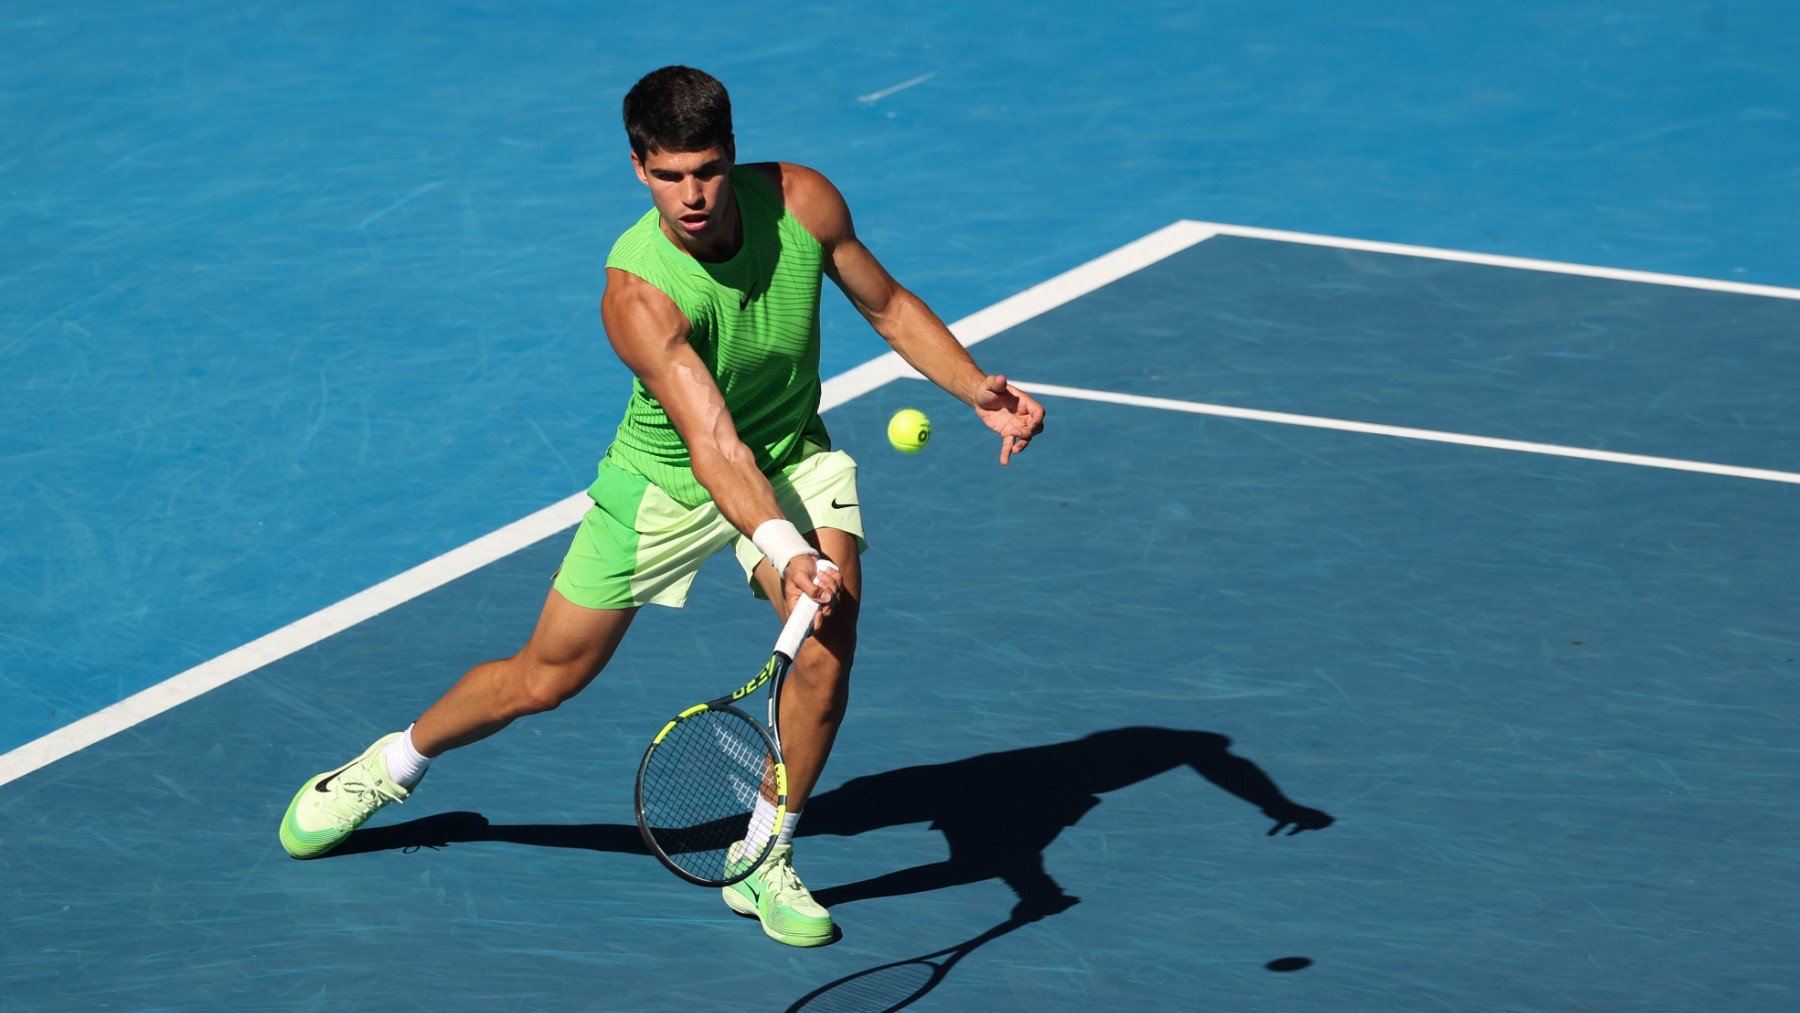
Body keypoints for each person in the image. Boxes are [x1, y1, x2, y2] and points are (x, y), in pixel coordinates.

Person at [277, 65, 1046, 948]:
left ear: (733, 154)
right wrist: (782, 544)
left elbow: (887, 304)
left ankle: (760, 858)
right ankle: (391, 763)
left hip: (793, 451)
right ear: (639, 168)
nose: (693, 194)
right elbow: (713, 445)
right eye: (671, 174)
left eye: (710, 170)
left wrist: (971, 386)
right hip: (669, 479)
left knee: (828, 651)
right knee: (545, 677)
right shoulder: (637, 294)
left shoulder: (804, 203)